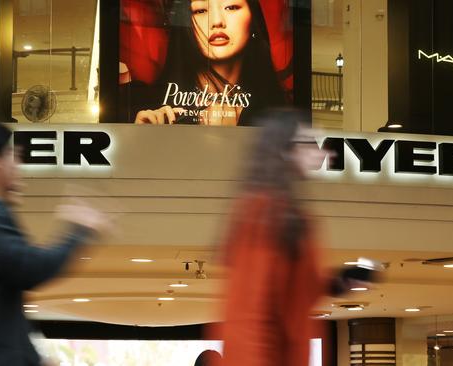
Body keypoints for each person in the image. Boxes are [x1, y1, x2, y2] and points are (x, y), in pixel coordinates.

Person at [0, 120, 109, 366]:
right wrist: (77, 232)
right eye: (13, 156)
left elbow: (0, 301)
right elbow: (30, 268)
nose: (17, 165)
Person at [212, 109, 356, 366]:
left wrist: (338, 282)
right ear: (284, 151)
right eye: (310, 143)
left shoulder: (289, 215)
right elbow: (252, 313)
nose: (323, 152)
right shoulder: (263, 213)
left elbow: (297, 294)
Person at [130, 0, 288, 125]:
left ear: (253, 18)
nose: (217, 21)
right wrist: (143, 138)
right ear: (185, 25)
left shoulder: (279, 112)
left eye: (231, 7)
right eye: (200, 10)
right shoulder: (150, 106)